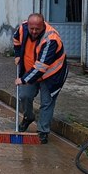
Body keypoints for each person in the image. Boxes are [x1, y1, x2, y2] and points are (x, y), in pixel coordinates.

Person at [13, 13, 68, 144]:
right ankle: (28, 117)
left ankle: (42, 132)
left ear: (43, 25)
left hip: (52, 74)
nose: (34, 31)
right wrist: (17, 55)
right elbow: (16, 40)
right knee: (24, 95)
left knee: (46, 102)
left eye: (37, 29)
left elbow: (41, 67)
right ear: (28, 25)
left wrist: (24, 79)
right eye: (32, 28)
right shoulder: (22, 29)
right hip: (30, 69)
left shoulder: (51, 39)